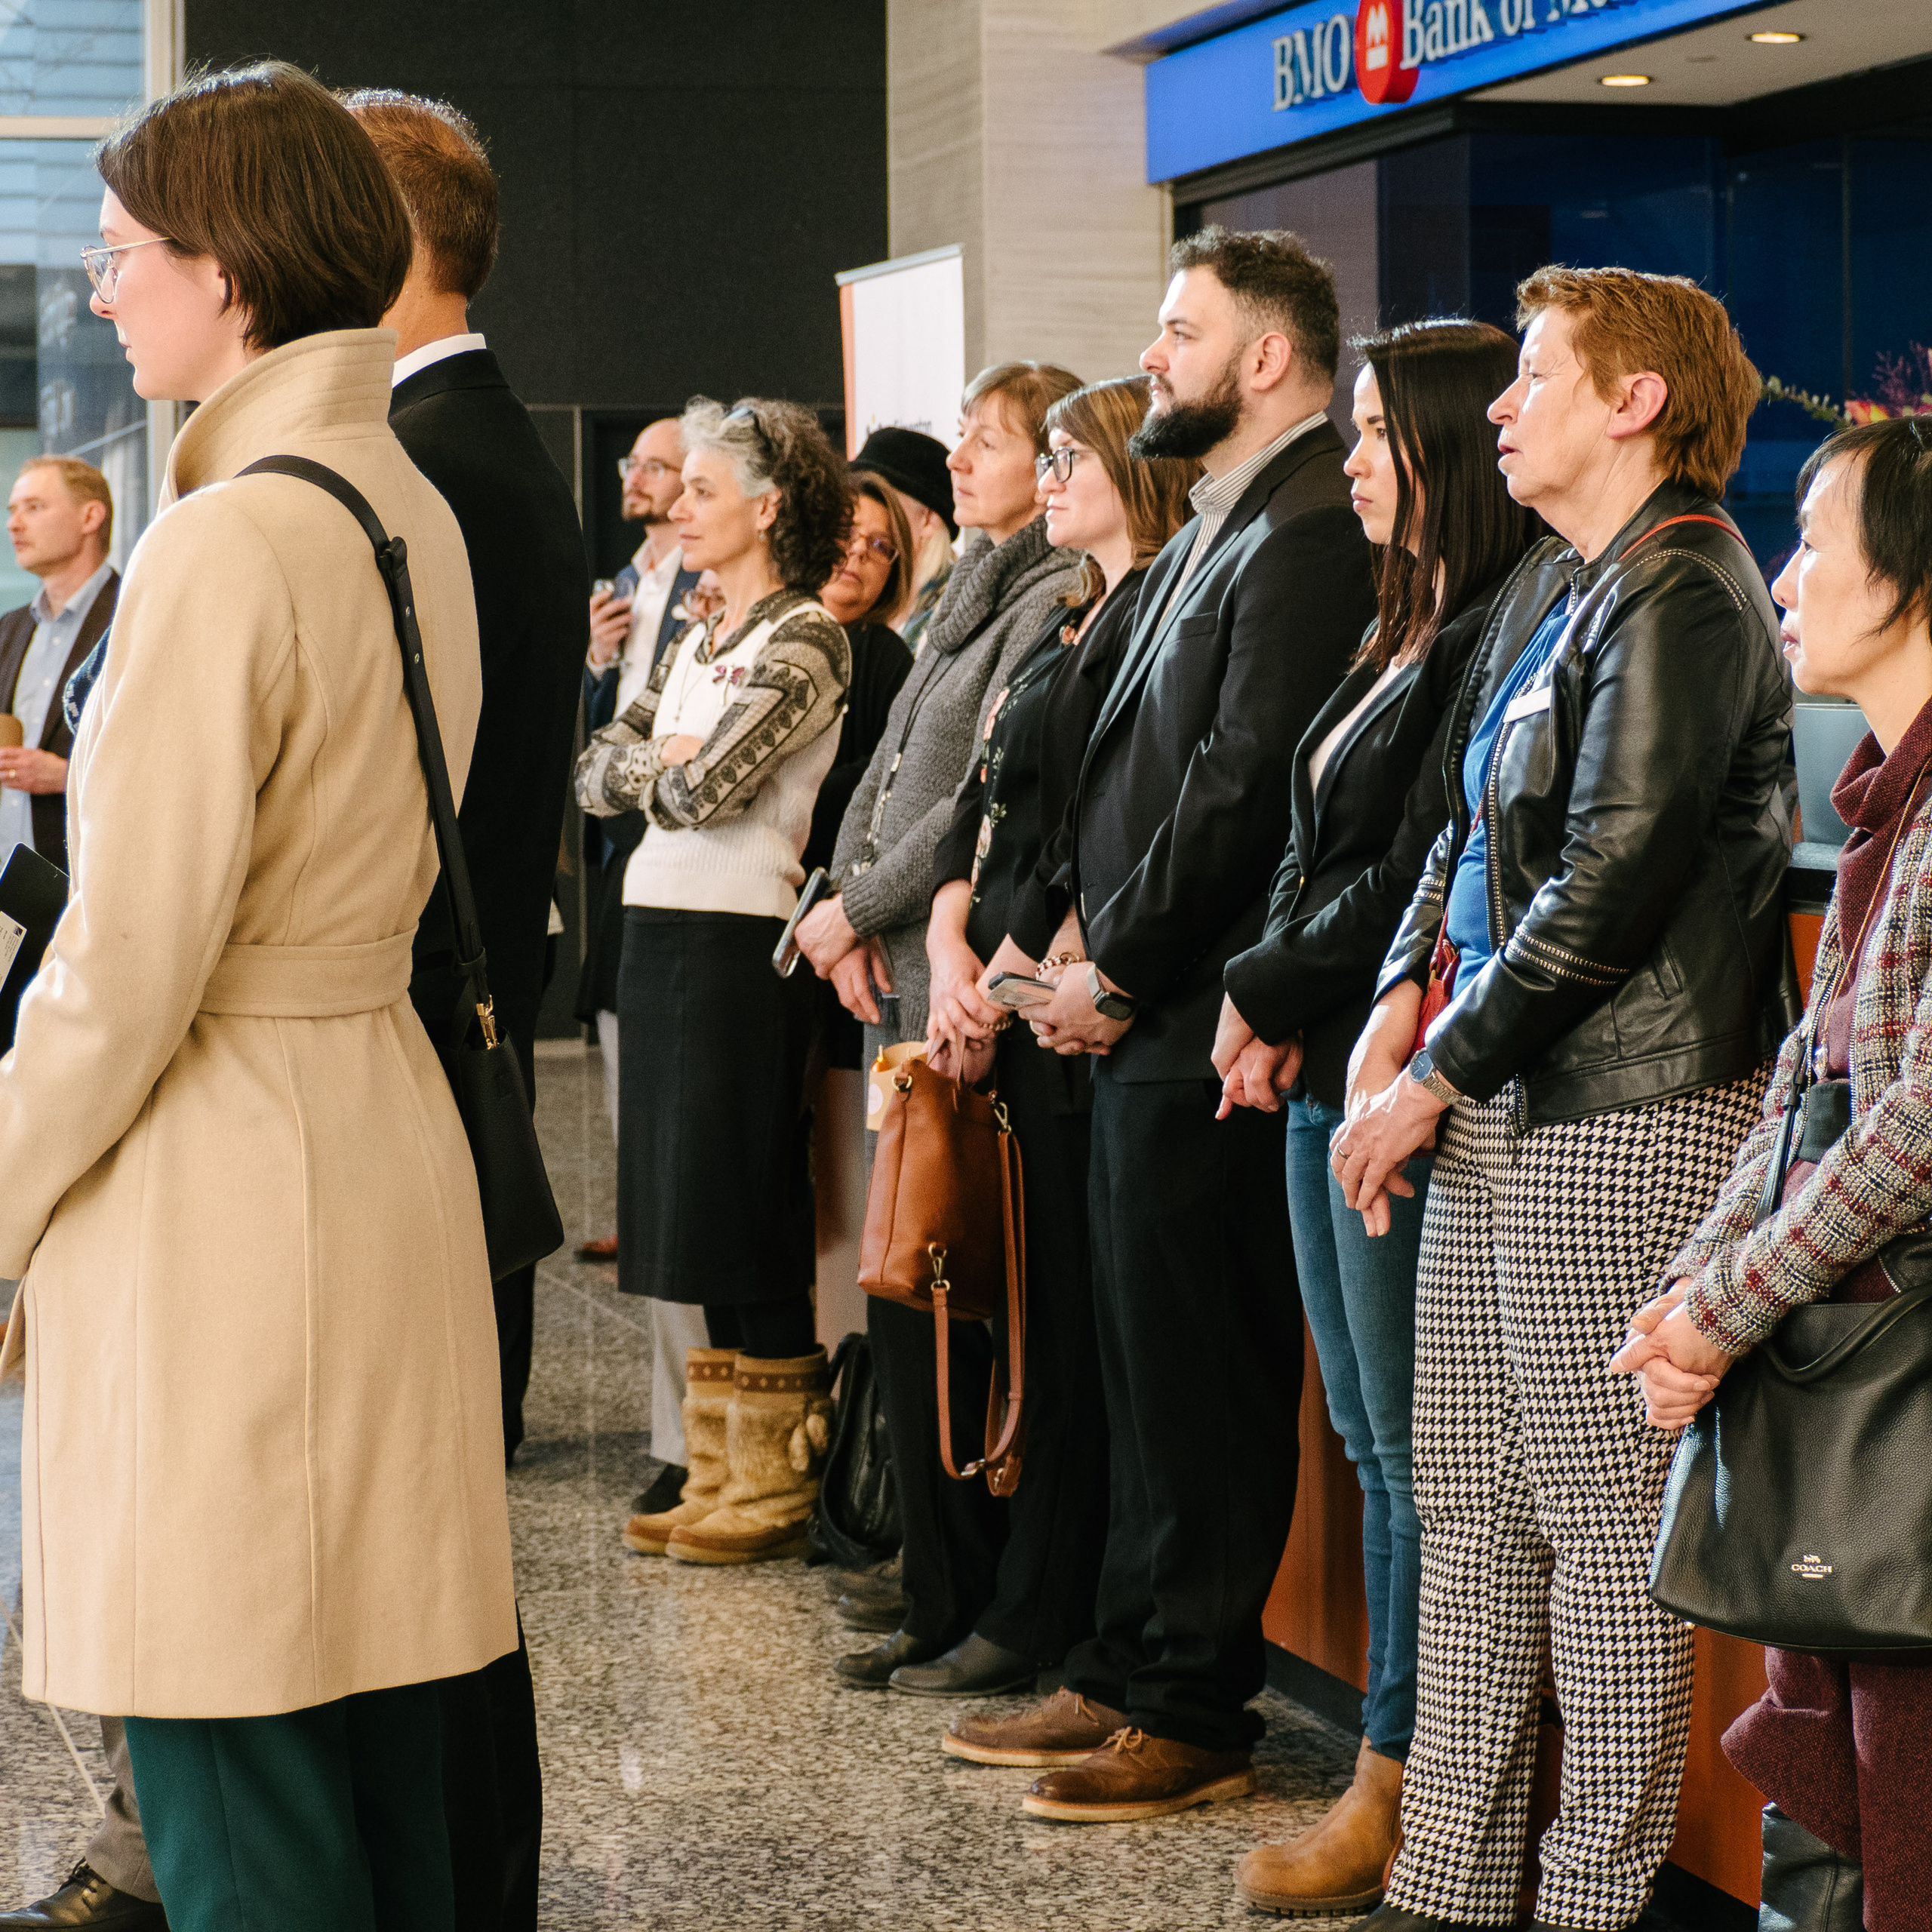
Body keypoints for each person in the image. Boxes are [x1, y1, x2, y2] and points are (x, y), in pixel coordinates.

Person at [0, 63, 516, 1932]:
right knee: (376, 1741)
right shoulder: (399, 498)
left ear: (230, 274)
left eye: (124, 252)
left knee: (232, 1751)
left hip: (220, 1162)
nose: (101, 290)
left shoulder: (222, 538)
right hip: (367, 1120)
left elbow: (127, 964)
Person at [1329, 266, 1791, 1932]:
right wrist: (1406, 1023)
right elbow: (1463, 838)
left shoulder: (1685, 587)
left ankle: (1587, 1901)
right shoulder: (1567, 586)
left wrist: (1431, 1069)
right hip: (1505, 1103)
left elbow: (1604, 882)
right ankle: (1444, 1883)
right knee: (1467, 1511)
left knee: (1598, 1539)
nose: (1500, 407)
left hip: (1622, 1107)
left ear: (1633, 401)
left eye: (1531, 375)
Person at [951, 227, 1375, 1820]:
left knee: (1197, 1367)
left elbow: (1241, 778)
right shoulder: (1224, 517)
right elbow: (1131, 770)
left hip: (1200, 1012)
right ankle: (1129, 1659)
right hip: (1130, 1001)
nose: (1152, 358)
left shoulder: (1312, 520)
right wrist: (1065, 953)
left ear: (1264, 355)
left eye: (1177, 332)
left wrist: (1114, 965)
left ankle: (1193, 1699)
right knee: (1137, 1360)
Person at [1211, 321, 1540, 1918]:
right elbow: (1308, 830)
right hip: (1327, 1058)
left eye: (1369, 433)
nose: (1346, 457)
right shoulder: (1394, 620)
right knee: (1363, 1435)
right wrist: (1263, 997)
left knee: (1418, 1457)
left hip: (1396, 1070)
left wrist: (1270, 980)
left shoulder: (1492, 623)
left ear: (1441, 450)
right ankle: (1409, 1764)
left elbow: (1418, 860)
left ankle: (1403, 1780)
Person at [1611, 415, 1932, 1932]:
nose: (1785, 575)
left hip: (1894, 1376)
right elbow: (1805, 1081)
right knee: (1834, 1784)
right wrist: (1697, 1286)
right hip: (1845, 1351)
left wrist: (1724, 1307)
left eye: (1814, 536)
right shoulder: (1879, 793)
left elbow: (1917, 1117)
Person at [346, 87, 583, 1932]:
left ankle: (452, 1875)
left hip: (416, 1030)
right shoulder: (456, 440)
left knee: (424, 1540)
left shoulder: (441, 461)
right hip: (433, 1021)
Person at [888, 374, 1196, 1704]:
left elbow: (1095, 840)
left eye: (1072, 456)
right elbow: (976, 815)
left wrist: (1000, 978)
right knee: (1011, 1316)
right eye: (1049, 454)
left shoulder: (1152, 623)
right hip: (997, 992)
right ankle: (1003, 1598)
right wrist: (953, 949)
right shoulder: (1071, 621)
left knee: (1070, 1341)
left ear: (1136, 471)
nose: (1054, 477)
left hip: (1064, 1014)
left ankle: (1049, 1616)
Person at [795, 359, 1082, 1688]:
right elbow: (883, 777)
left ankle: (974, 1590)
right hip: (892, 976)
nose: (960, 461)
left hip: (954, 983)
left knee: (961, 1290)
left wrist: (859, 911)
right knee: (901, 1283)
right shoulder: (962, 595)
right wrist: (843, 907)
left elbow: (969, 805)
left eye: (989, 441)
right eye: (960, 439)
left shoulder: (1046, 599)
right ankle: (930, 1577)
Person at [577, 396, 851, 1564]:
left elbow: (708, 795)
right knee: (683, 1214)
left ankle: (774, 1483)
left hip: (741, 945)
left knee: (740, 1203)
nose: (678, 509)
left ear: (768, 504)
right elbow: (596, 772)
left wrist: (664, 766)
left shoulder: (804, 637)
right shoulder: (696, 632)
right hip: (659, 933)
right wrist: (663, 760)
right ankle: (719, 1465)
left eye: (702, 490)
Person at [571, 412, 708, 1515]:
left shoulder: (745, 613)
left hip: (710, 906)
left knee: (697, 1196)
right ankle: (683, 1434)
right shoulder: (626, 587)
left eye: (671, 474)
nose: (653, 487)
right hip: (634, 895)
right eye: (650, 470)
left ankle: (709, 1437)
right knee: (651, 1185)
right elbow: (599, 764)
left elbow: (689, 778)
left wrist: (639, 771)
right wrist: (601, 664)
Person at [0, 457, 119, 876]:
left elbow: (173, 758)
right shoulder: (10, 628)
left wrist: (69, 776)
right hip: (11, 883)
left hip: (90, 875)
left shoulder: (133, 618)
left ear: (90, 516)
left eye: (33, 508)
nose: (14, 525)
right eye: (12, 511)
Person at [808, 469, 914, 877]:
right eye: (846, 532)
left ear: (892, 571)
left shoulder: (887, 658)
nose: (858, 552)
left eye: (879, 544)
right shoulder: (766, 633)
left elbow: (888, 773)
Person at [849, 424, 956, 648]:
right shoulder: (859, 603)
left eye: (883, 498)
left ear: (927, 519)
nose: (866, 509)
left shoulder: (953, 615)